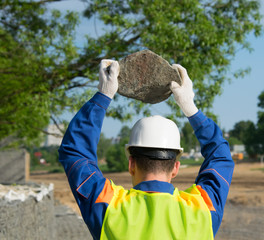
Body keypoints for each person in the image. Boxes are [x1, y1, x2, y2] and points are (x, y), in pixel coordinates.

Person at [58, 59, 234, 240]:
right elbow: (220, 156)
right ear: (175, 168)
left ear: (131, 164)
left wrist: (103, 95)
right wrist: (191, 108)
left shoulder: (108, 205)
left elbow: (75, 152)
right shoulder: (202, 209)